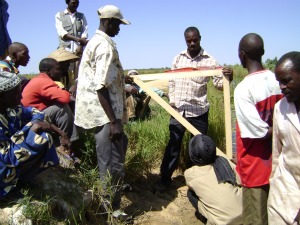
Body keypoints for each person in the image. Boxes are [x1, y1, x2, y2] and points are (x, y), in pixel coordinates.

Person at [156, 26, 233, 191]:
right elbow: (172, 81)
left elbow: (219, 84)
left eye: (195, 40)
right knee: (173, 144)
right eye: (189, 41)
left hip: (198, 111)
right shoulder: (178, 58)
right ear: (185, 40)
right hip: (179, 110)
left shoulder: (209, 60)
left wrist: (227, 77)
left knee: (199, 148)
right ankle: (164, 180)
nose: (192, 43)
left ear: (200, 38)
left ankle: (199, 184)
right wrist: (173, 102)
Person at [74, 5, 130, 216]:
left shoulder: (94, 42)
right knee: (113, 163)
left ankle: (108, 200)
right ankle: (113, 209)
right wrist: (114, 121)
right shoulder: (105, 47)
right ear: (109, 22)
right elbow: (100, 86)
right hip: (106, 115)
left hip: (102, 114)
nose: (119, 29)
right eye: (117, 24)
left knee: (110, 158)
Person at [234, 33, 283, 225]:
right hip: (279, 164)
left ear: (241, 55)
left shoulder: (244, 89)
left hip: (256, 167)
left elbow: (259, 133)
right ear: (263, 52)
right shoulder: (278, 80)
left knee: (256, 218)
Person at [0, 71, 71, 202]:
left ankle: (20, 179)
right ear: (1, 96)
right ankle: (5, 190)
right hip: (3, 163)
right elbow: (6, 158)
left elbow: (34, 112)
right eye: (15, 94)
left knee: (42, 136)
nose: (20, 97)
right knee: (37, 139)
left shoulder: (10, 109)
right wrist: (31, 129)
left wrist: (52, 128)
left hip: (10, 155)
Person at [267, 51, 300, 225]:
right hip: (285, 190)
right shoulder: (281, 107)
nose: (282, 86)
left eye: (287, 81)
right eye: (279, 82)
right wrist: (274, 181)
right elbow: (277, 151)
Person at [21, 58, 79, 156]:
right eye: (57, 69)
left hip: (34, 115)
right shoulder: (44, 81)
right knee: (62, 108)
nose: (61, 72)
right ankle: (66, 144)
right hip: (30, 120)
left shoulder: (39, 79)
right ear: (48, 71)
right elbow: (65, 98)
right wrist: (66, 91)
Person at [184, 134, 243, 225]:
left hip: (223, 223)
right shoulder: (224, 161)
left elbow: (192, 187)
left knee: (190, 193)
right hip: (245, 214)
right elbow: (241, 181)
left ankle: (207, 218)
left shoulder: (190, 174)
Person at [55, 0, 88, 85]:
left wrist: (81, 46)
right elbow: (62, 33)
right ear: (67, 2)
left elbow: (85, 33)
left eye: (77, 3)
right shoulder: (59, 15)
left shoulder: (81, 16)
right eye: (73, 3)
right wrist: (78, 39)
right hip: (65, 49)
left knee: (79, 74)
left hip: (79, 50)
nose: (75, 5)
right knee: (66, 74)